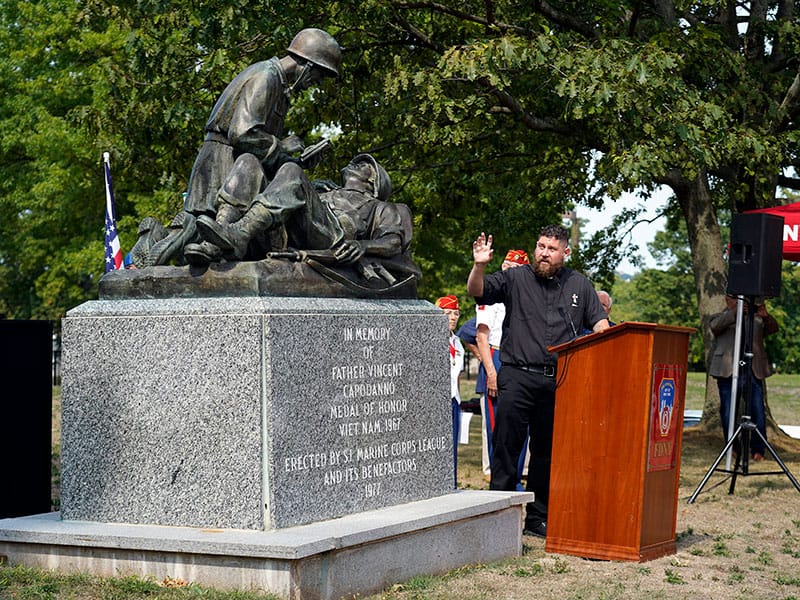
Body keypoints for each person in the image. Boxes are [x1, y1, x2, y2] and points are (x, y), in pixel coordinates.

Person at [139, 28, 342, 266]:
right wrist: (283, 146)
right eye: (318, 76)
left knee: (201, 237)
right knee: (195, 232)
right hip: (226, 165)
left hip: (239, 169)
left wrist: (296, 164)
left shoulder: (279, 85)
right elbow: (243, 133)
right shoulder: (266, 77)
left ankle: (167, 239)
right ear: (306, 65)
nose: (315, 84)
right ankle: (157, 243)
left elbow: (261, 147)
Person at [467, 225, 609, 538]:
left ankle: (537, 519)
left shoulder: (579, 284)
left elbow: (599, 321)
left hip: (557, 382)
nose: (544, 253)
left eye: (551, 248)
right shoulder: (515, 278)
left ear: (565, 252)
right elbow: (477, 290)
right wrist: (479, 265)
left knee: (546, 454)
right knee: (506, 448)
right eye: (541, 246)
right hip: (517, 376)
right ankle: (497, 518)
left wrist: (607, 333)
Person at [187, 153, 419, 286]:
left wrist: (362, 245)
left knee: (291, 169)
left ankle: (238, 234)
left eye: (365, 166)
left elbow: (393, 242)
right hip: (286, 234)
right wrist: (314, 192)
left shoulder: (380, 207)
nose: (356, 164)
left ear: (374, 183)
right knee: (248, 161)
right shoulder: (323, 191)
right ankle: (220, 239)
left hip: (333, 239)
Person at [475, 249, 530, 482]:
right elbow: (481, 336)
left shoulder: (528, 295)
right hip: (497, 357)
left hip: (521, 360)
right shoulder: (494, 293)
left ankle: (515, 479)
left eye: (515, 268)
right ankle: (498, 482)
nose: (509, 270)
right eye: (507, 265)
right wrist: (491, 372)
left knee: (521, 426)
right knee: (498, 427)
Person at [709, 294, 778, 462]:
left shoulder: (757, 317)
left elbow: (773, 329)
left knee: (757, 411)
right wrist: (734, 312)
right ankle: (732, 447)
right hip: (728, 371)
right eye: (734, 298)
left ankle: (758, 449)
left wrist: (766, 316)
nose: (741, 302)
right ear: (727, 300)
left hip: (752, 370)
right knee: (727, 411)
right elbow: (715, 327)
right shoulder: (720, 317)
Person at [436, 294, 464, 489]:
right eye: (447, 313)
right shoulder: (431, 342)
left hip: (453, 399)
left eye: (455, 313)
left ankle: (451, 485)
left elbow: (457, 375)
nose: (452, 317)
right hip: (438, 401)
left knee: (452, 447)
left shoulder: (457, 343)